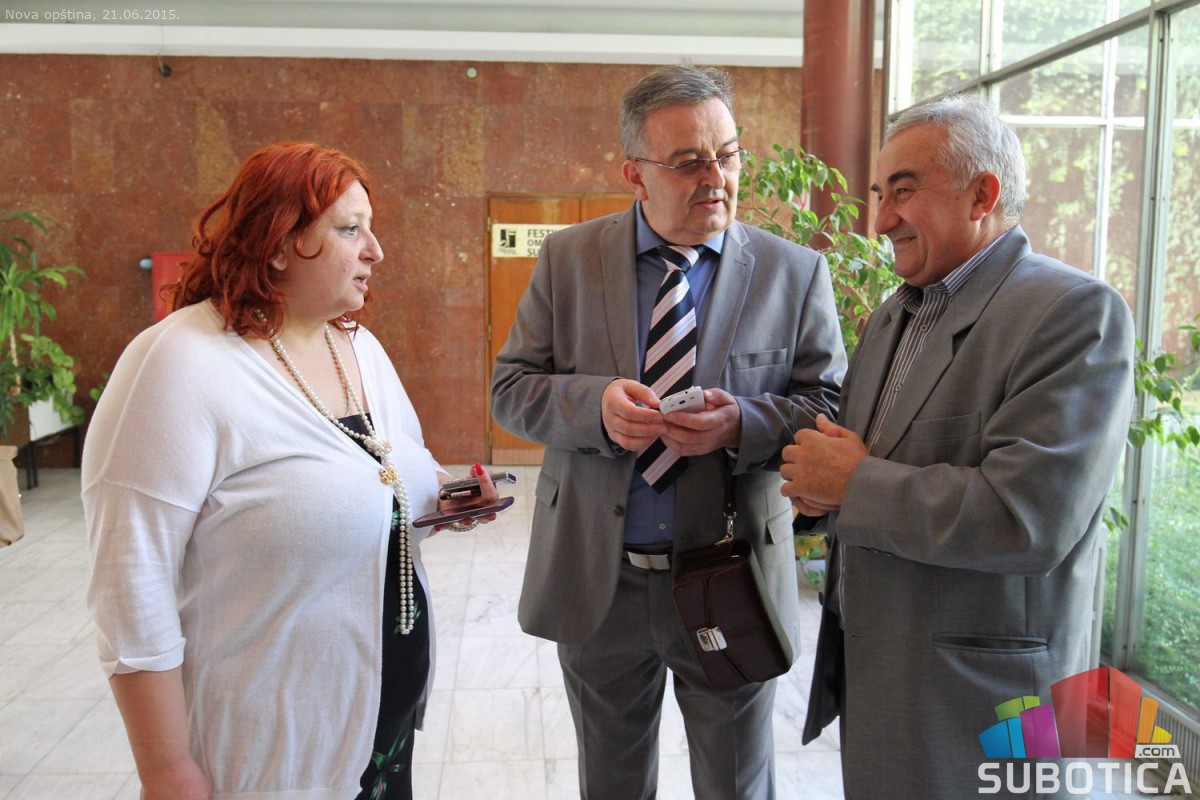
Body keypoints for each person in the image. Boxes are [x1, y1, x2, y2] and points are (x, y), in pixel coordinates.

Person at [83, 142, 500, 800]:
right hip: (269, 752)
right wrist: (165, 770)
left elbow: (385, 477)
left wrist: (443, 501)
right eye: (350, 229)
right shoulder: (179, 363)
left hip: (380, 736)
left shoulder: (357, 348)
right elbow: (129, 582)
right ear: (278, 243)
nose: (376, 251)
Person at [491, 64, 846, 799]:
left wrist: (741, 423)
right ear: (635, 172)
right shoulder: (568, 260)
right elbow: (511, 390)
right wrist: (594, 406)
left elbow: (831, 407)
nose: (716, 177)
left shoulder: (794, 272)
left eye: (728, 154)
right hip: (600, 581)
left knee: (737, 784)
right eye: (688, 161)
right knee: (612, 783)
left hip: (731, 577)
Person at [782, 94, 1135, 798]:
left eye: (903, 191)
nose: (881, 220)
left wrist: (851, 484)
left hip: (989, 703)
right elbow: (864, 460)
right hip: (881, 681)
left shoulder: (1073, 313)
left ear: (983, 194)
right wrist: (818, 492)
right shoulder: (894, 314)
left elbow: (1028, 517)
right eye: (879, 194)